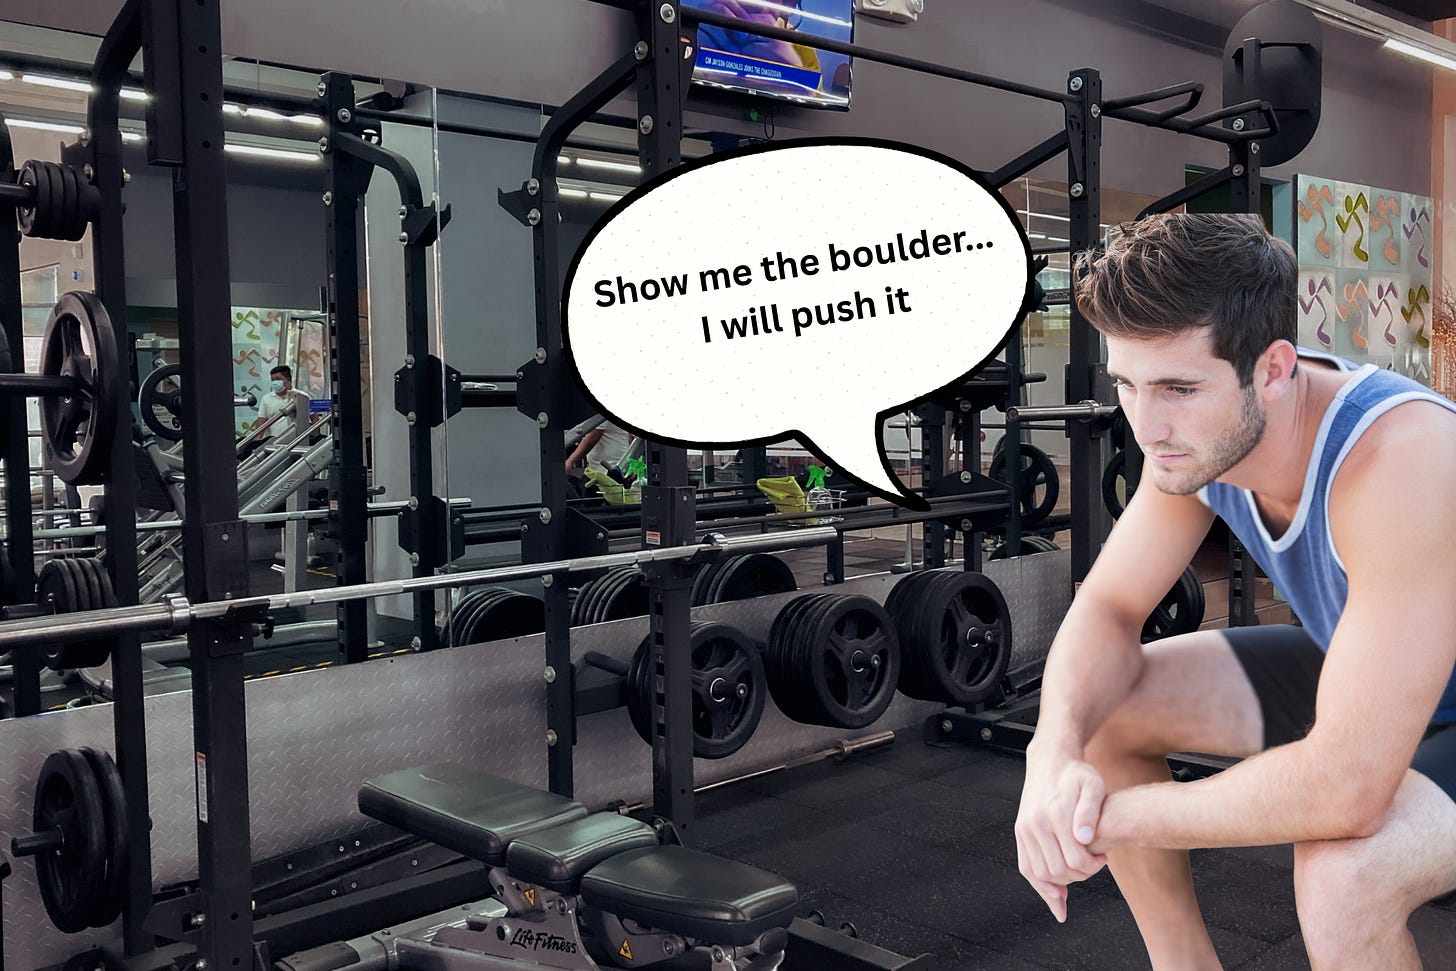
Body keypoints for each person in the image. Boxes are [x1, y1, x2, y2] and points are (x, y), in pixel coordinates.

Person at [1015, 213, 1456, 970]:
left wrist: (1096, 818)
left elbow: (1346, 787)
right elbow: (1109, 608)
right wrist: (1049, 759)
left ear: (1274, 369)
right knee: (1101, 705)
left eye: (1178, 387)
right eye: (1129, 385)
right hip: (1381, 676)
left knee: (1342, 872)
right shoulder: (1198, 440)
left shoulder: (1403, 462)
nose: (1147, 426)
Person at [254, 365, 312, 447]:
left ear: (288, 379)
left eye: (277, 379)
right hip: (274, 444)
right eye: (272, 380)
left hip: (298, 442)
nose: (274, 382)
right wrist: (256, 441)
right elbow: (261, 422)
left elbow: (314, 418)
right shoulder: (266, 398)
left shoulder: (303, 397)